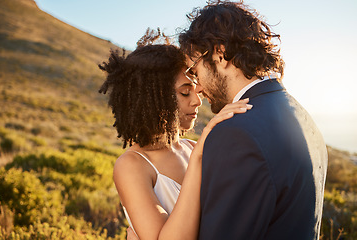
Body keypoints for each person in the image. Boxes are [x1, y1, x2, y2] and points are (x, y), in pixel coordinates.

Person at [179, 1, 328, 239]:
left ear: (220, 53)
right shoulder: (301, 116)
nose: (197, 87)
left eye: (194, 70)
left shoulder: (235, 133)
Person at [98, 31, 252, 240]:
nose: (197, 101)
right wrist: (198, 158)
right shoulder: (132, 165)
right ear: (153, 99)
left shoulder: (191, 147)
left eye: (196, 90)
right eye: (185, 92)